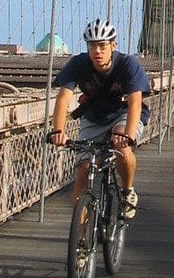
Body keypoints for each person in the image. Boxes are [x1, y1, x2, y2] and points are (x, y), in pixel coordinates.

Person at [48, 18, 151, 220]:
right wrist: (57, 131)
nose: (97, 51)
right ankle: (81, 244)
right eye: (92, 45)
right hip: (94, 116)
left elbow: (135, 103)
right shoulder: (78, 64)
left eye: (102, 45)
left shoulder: (128, 64)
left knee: (121, 148)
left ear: (113, 45)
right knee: (83, 172)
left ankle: (128, 190)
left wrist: (128, 136)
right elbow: (63, 99)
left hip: (123, 113)